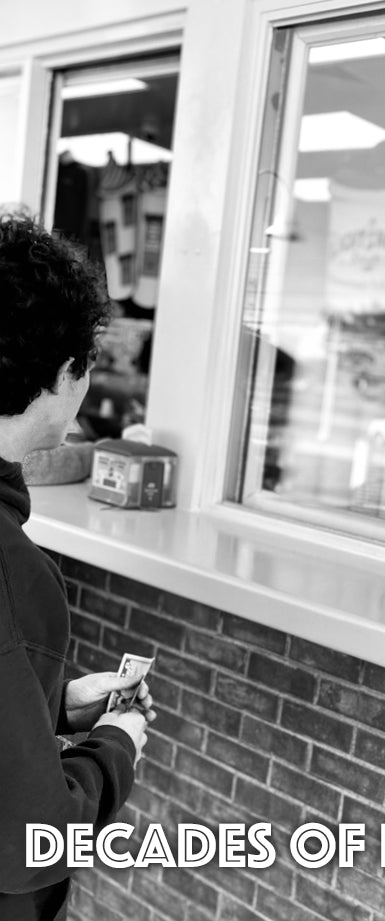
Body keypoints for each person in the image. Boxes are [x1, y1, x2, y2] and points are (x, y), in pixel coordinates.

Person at [0, 213, 155, 920]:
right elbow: (31, 839)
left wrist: (52, 700)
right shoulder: (11, 573)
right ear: (63, 371)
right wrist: (115, 745)